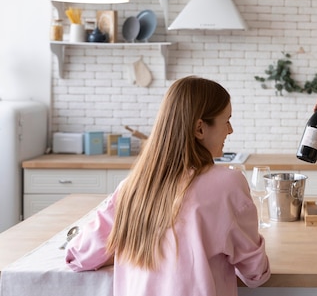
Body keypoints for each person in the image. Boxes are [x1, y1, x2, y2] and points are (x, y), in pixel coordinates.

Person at [65, 76, 270, 296]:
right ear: (200, 129)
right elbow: (255, 273)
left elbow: (77, 257)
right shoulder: (229, 184)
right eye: (226, 120)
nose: (230, 130)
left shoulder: (130, 188)